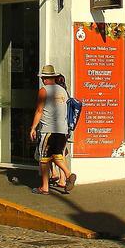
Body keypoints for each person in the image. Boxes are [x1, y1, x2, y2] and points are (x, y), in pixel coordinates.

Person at [29, 64, 77, 195]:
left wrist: (33, 128)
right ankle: (68, 174)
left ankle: (44, 187)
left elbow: (39, 110)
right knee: (57, 155)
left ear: (44, 78)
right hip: (62, 129)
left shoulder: (44, 91)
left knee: (44, 158)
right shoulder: (63, 91)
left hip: (48, 129)